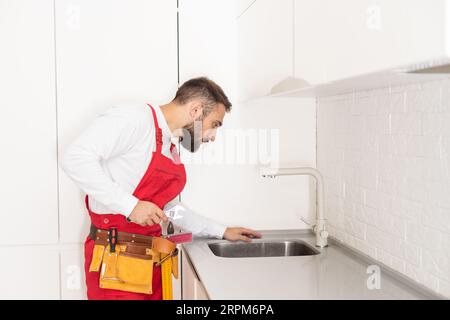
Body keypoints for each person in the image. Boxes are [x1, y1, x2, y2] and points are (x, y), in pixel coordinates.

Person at [61, 77, 262, 300]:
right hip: (115, 266)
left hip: (150, 265)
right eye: (214, 124)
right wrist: (131, 206)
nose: (213, 136)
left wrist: (221, 230)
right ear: (195, 110)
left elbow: (168, 209)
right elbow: (75, 158)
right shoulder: (134, 119)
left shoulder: (169, 145)